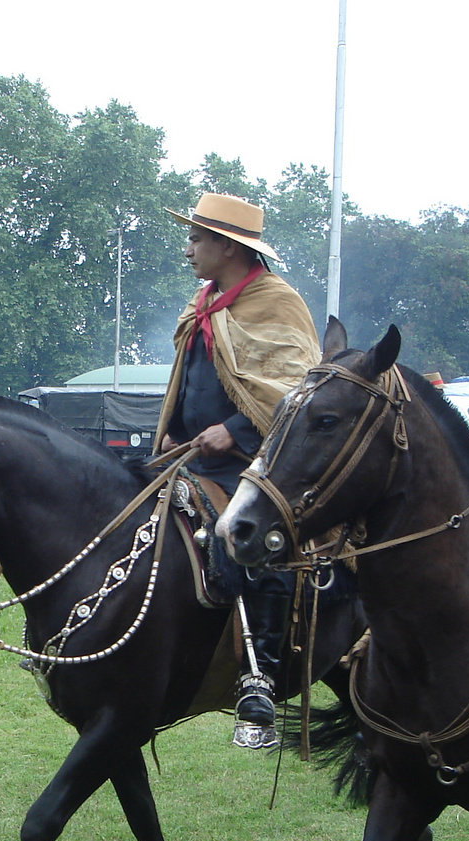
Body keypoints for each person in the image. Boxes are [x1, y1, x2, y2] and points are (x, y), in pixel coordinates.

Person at [153, 192, 320, 748]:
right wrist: (174, 432)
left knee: (251, 539)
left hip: (259, 462)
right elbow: (189, 380)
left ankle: (260, 676)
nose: (189, 249)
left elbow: (297, 390)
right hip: (190, 455)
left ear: (228, 245)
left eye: (197, 238)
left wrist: (236, 432)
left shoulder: (276, 302)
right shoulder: (199, 304)